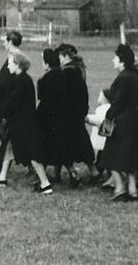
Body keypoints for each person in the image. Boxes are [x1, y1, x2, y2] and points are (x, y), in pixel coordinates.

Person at [0, 53, 54, 194]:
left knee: (32, 154)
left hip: (23, 124)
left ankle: (45, 184)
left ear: (18, 64)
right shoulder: (24, 79)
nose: (7, 66)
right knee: (9, 148)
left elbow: (12, 103)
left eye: (10, 63)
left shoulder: (20, 81)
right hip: (22, 122)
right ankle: (2, 178)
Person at [100, 44, 138, 202]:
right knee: (129, 157)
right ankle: (132, 190)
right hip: (135, 121)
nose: (113, 60)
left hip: (122, 122)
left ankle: (119, 188)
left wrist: (108, 116)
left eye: (115, 58)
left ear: (122, 61)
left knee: (111, 156)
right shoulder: (136, 77)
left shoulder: (123, 78)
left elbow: (117, 103)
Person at [55, 43, 96, 185]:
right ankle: (93, 171)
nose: (58, 59)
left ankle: (72, 172)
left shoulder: (66, 72)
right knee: (82, 141)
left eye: (60, 56)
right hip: (78, 112)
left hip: (67, 114)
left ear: (66, 56)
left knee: (64, 144)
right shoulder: (79, 69)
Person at [0, 30, 22, 173]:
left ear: (10, 42)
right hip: (5, 100)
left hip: (7, 102)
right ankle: (2, 163)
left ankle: (3, 164)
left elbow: (7, 81)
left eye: (5, 41)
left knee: (7, 135)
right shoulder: (14, 56)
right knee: (7, 136)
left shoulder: (14, 57)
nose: (3, 43)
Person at [35, 49, 63, 181]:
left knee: (44, 144)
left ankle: (41, 175)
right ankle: (58, 173)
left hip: (47, 115)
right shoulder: (64, 75)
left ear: (47, 64)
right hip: (61, 115)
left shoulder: (44, 79)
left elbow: (42, 98)